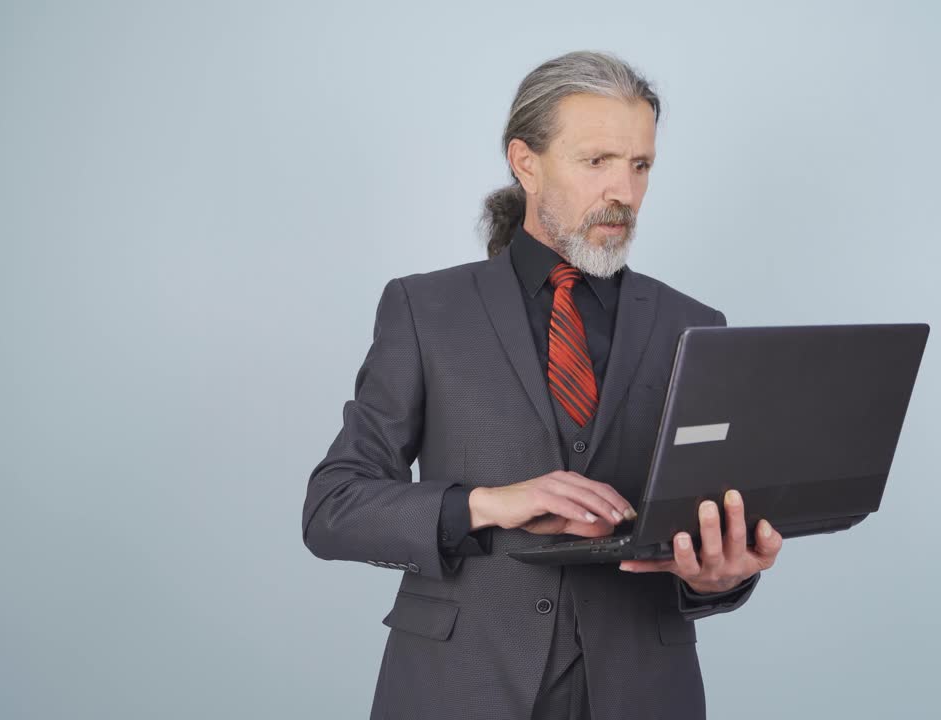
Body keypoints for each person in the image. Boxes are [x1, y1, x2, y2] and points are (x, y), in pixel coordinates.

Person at [301, 50, 783, 720]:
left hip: (644, 693)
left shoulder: (695, 326)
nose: (625, 191)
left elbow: (705, 538)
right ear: (526, 163)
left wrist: (721, 578)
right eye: (597, 162)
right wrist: (487, 504)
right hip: (456, 687)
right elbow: (334, 507)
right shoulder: (425, 310)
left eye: (640, 165)